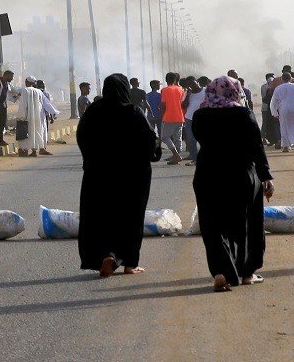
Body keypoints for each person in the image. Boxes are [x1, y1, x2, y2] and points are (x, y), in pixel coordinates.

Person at [191, 76, 275, 291]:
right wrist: (265, 176)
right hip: (240, 174)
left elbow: (200, 139)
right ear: (235, 91)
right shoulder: (243, 114)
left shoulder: (200, 115)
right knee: (246, 224)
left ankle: (221, 271)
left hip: (207, 174)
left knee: (212, 224)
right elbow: (257, 146)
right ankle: (246, 273)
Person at [77, 74, 162, 277]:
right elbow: (150, 140)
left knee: (101, 216)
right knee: (131, 217)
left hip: (98, 174)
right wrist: (153, 153)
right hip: (132, 176)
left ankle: (105, 254)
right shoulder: (133, 112)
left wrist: (89, 160)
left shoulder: (93, 111)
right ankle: (129, 263)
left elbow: (82, 137)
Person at [16, 76, 58, 157]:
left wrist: (21, 116)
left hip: (28, 116)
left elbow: (23, 104)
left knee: (28, 133)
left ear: (27, 82)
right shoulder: (39, 91)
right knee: (37, 132)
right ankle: (34, 151)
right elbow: (46, 104)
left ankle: (25, 150)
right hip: (38, 116)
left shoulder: (25, 90)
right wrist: (53, 112)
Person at [270, 72, 294, 152]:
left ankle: (286, 147)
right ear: (291, 79)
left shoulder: (278, 88)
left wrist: (274, 112)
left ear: (282, 79)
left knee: (284, 126)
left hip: (283, 108)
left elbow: (273, 101)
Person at [159, 72, 185, 164]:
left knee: (165, 137)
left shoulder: (165, 90)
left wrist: (162, 116)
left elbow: (163, 105)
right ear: (175, 80)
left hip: (169, 117)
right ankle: (176, 156)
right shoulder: (181, 89)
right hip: (180, 116)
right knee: (177, 137)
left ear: (166, 80)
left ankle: (176, 155)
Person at [182, 76, 208, 165]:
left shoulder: (206, 90)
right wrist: (188, 95)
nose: (191, 85)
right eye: (189, 84)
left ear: (197, 81)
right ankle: (195, 159)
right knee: (191, 139)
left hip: (203, 118)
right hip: (189, 118)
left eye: (193, 83)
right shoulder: (187, 93)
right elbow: (183, 106)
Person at [260, 73, 279, 147]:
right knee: (272, 124)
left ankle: (268, 139)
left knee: (266, 124)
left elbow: (264, 98)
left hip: (266, 108)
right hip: (270, 108)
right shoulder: (271, 87)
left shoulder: (264, 87)